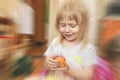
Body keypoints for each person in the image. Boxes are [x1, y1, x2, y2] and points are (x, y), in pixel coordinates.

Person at [43, 0, 97, 80]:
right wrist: (48, 63)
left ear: (83, 26)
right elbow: (46, 65)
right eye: (63, 25)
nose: (67, 30)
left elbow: (87, 76)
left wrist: (68, 70)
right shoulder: (55, 43)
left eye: (72, 25)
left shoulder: (88, 49)